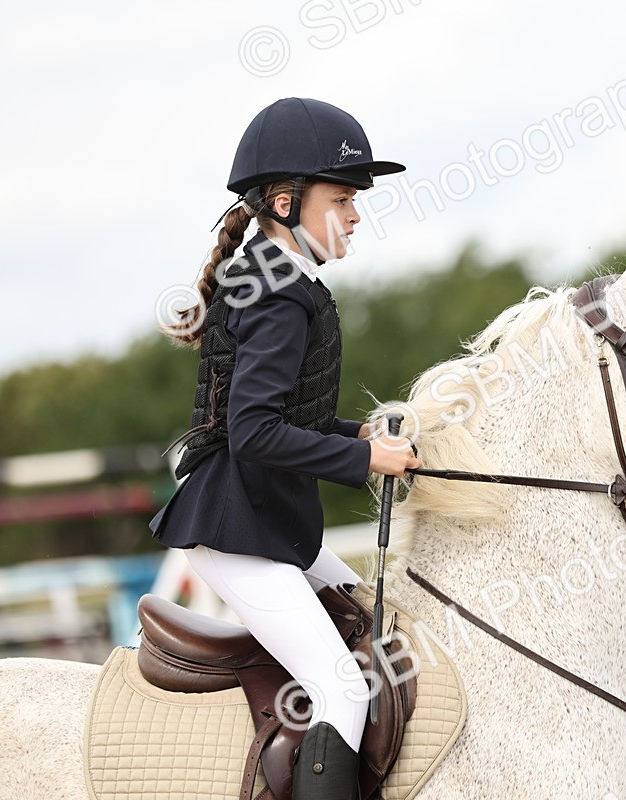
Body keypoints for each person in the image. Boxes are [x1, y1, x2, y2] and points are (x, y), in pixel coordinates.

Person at [149, 97, 421, 800]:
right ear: (284, 202)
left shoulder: (273, 276)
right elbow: (253, 433)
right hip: (236, 527)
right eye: (342, 199)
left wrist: (356, 435)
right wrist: (365, 461)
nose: (355, 215)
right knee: (343, 689)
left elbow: (288, 418)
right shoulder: (277, 291)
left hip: (263, 517)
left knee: (371, 619)